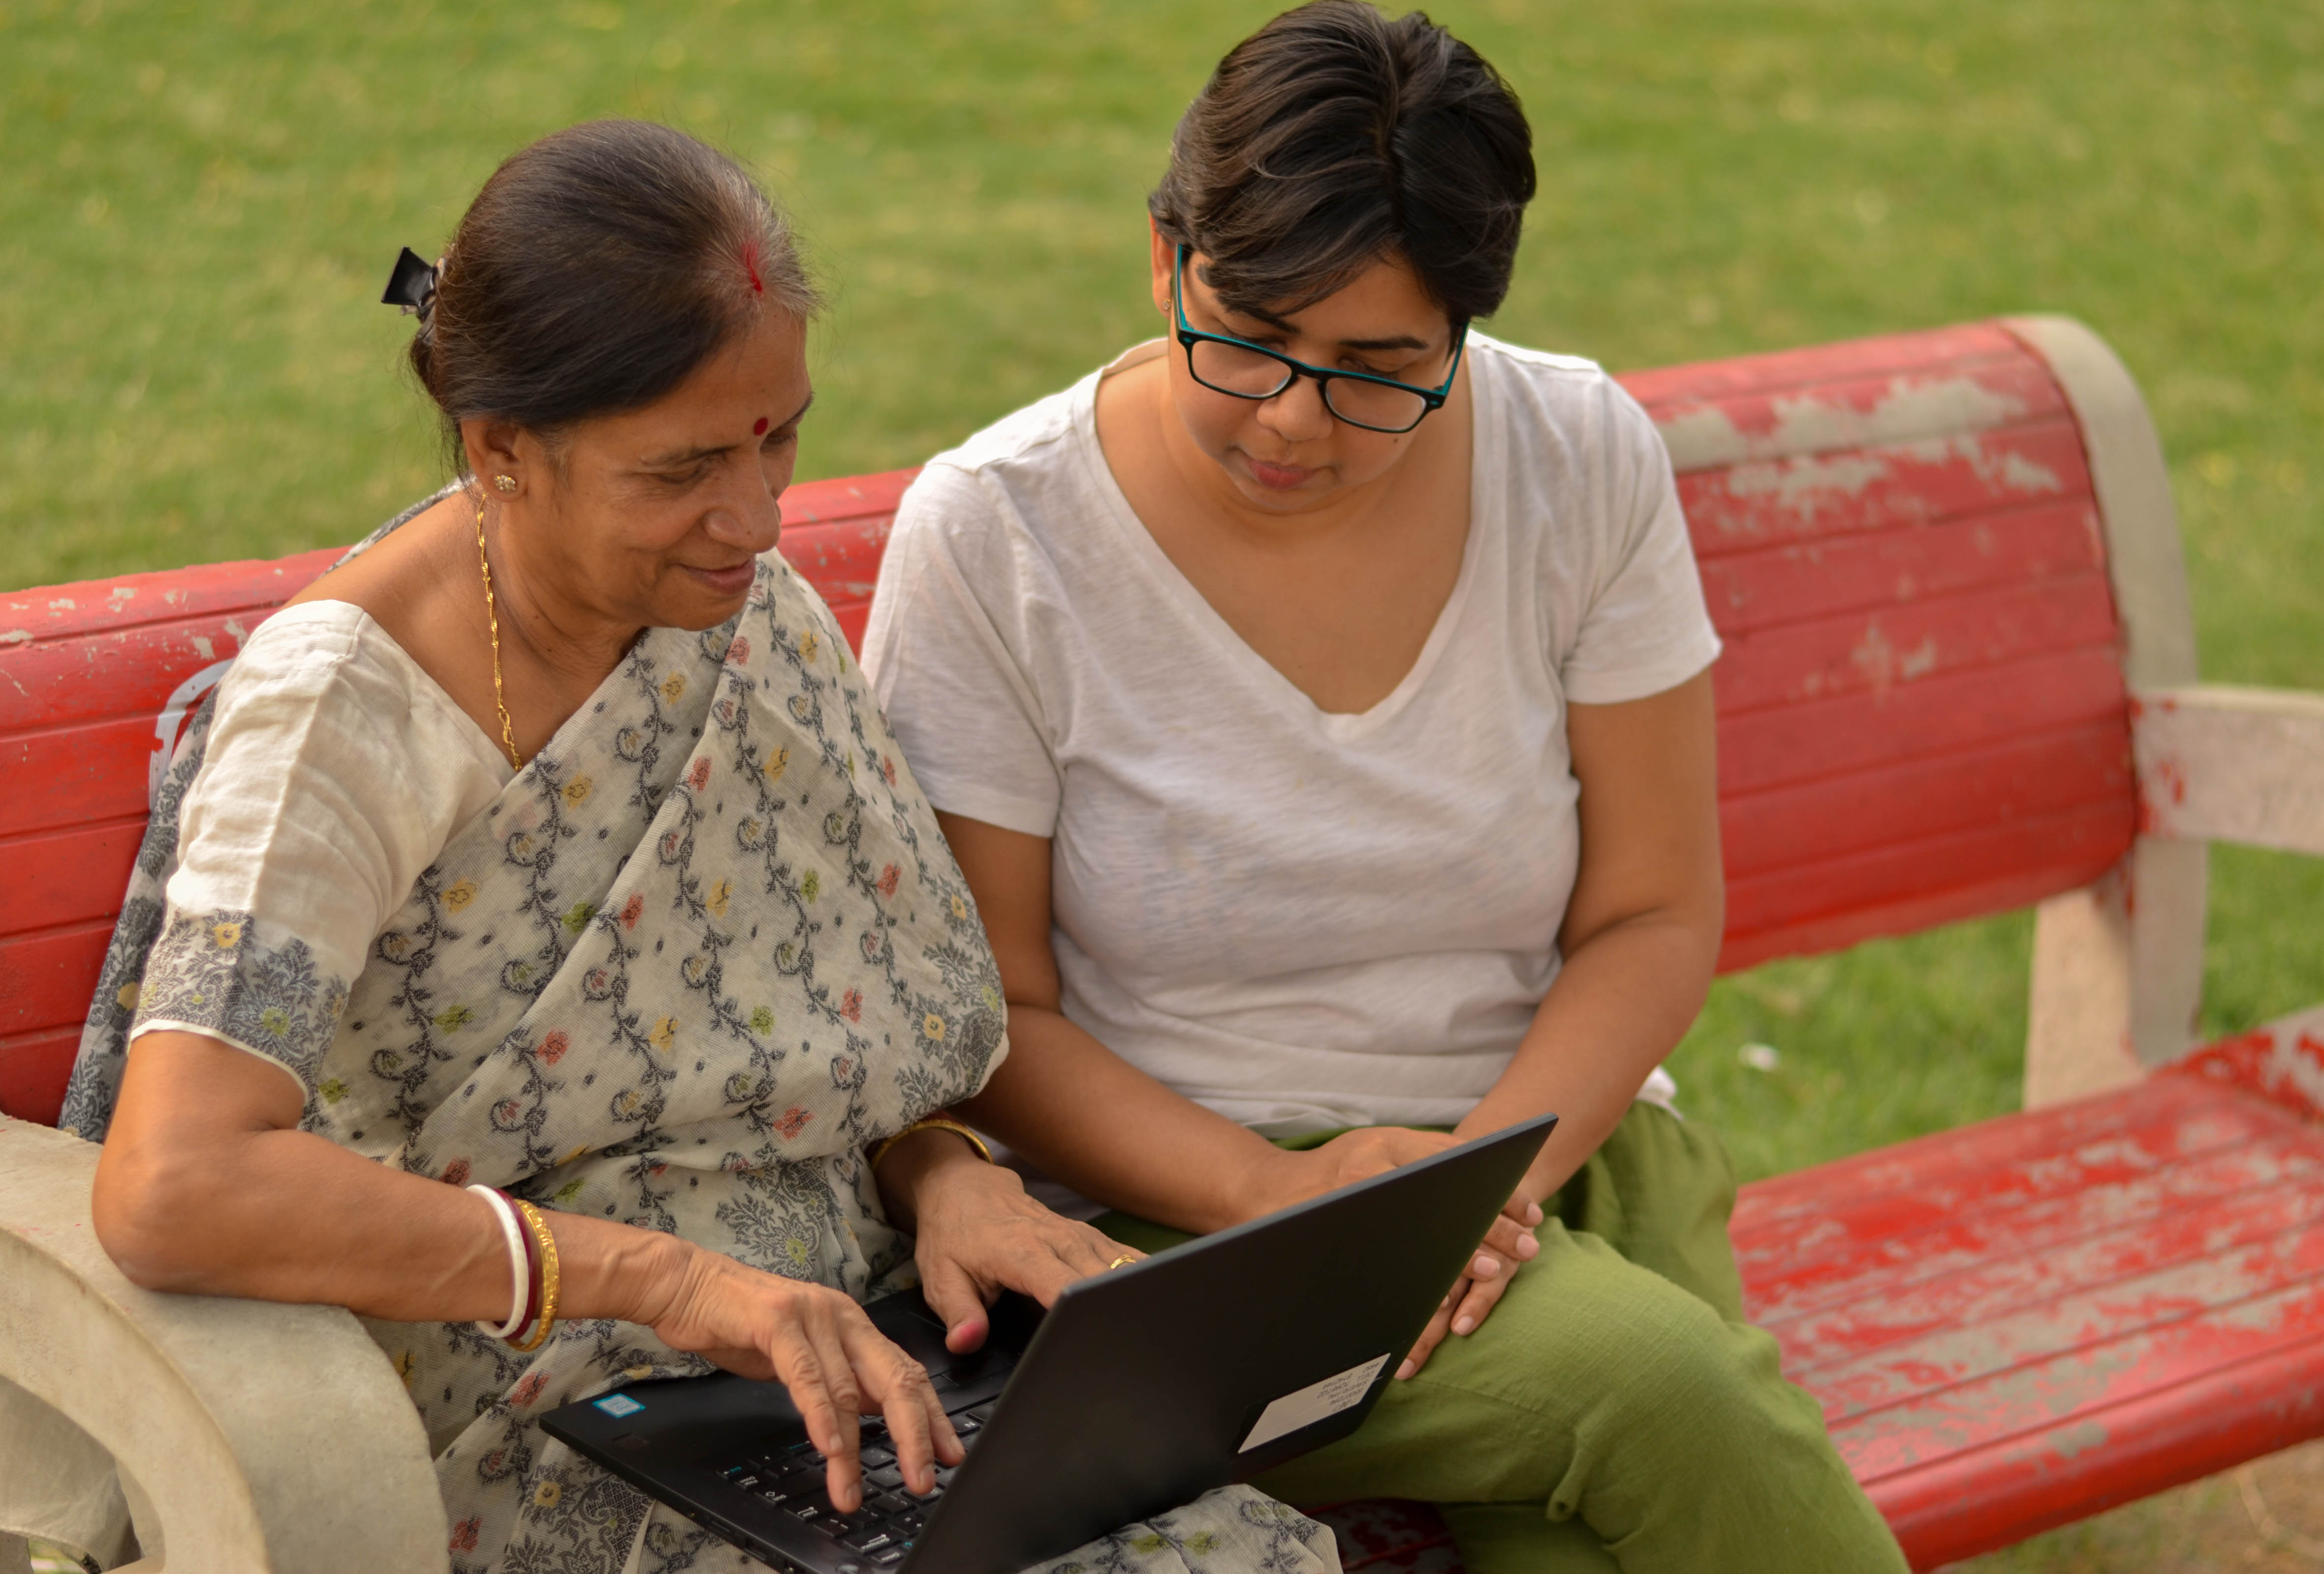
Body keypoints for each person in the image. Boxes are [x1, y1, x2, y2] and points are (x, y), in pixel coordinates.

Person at [52, 121, 1329, 1574]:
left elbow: (843, 1024)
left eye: (778, 435)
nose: (756, 514)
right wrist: (660, 1279)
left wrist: (948, 1171)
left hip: (824, 1344)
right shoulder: (338, 719)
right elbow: (178, 1185)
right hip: (504, 1401)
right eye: (680, 468)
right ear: (500, 449)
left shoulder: (744, 613)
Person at [860, 6, 1912, 1571]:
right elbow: (988, 1019)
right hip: (1189, 1219)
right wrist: (1288, 1192)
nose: (1290, 417)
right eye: (1247, 337)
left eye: (1376, 369)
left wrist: (1481, 1194)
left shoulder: (1576, 458)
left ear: (1466, 332)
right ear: (1163, 259)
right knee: (1665, 1393)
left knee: (1584, 1538)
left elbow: (1648, 907)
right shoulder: (999, 536)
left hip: (1561, 1143)